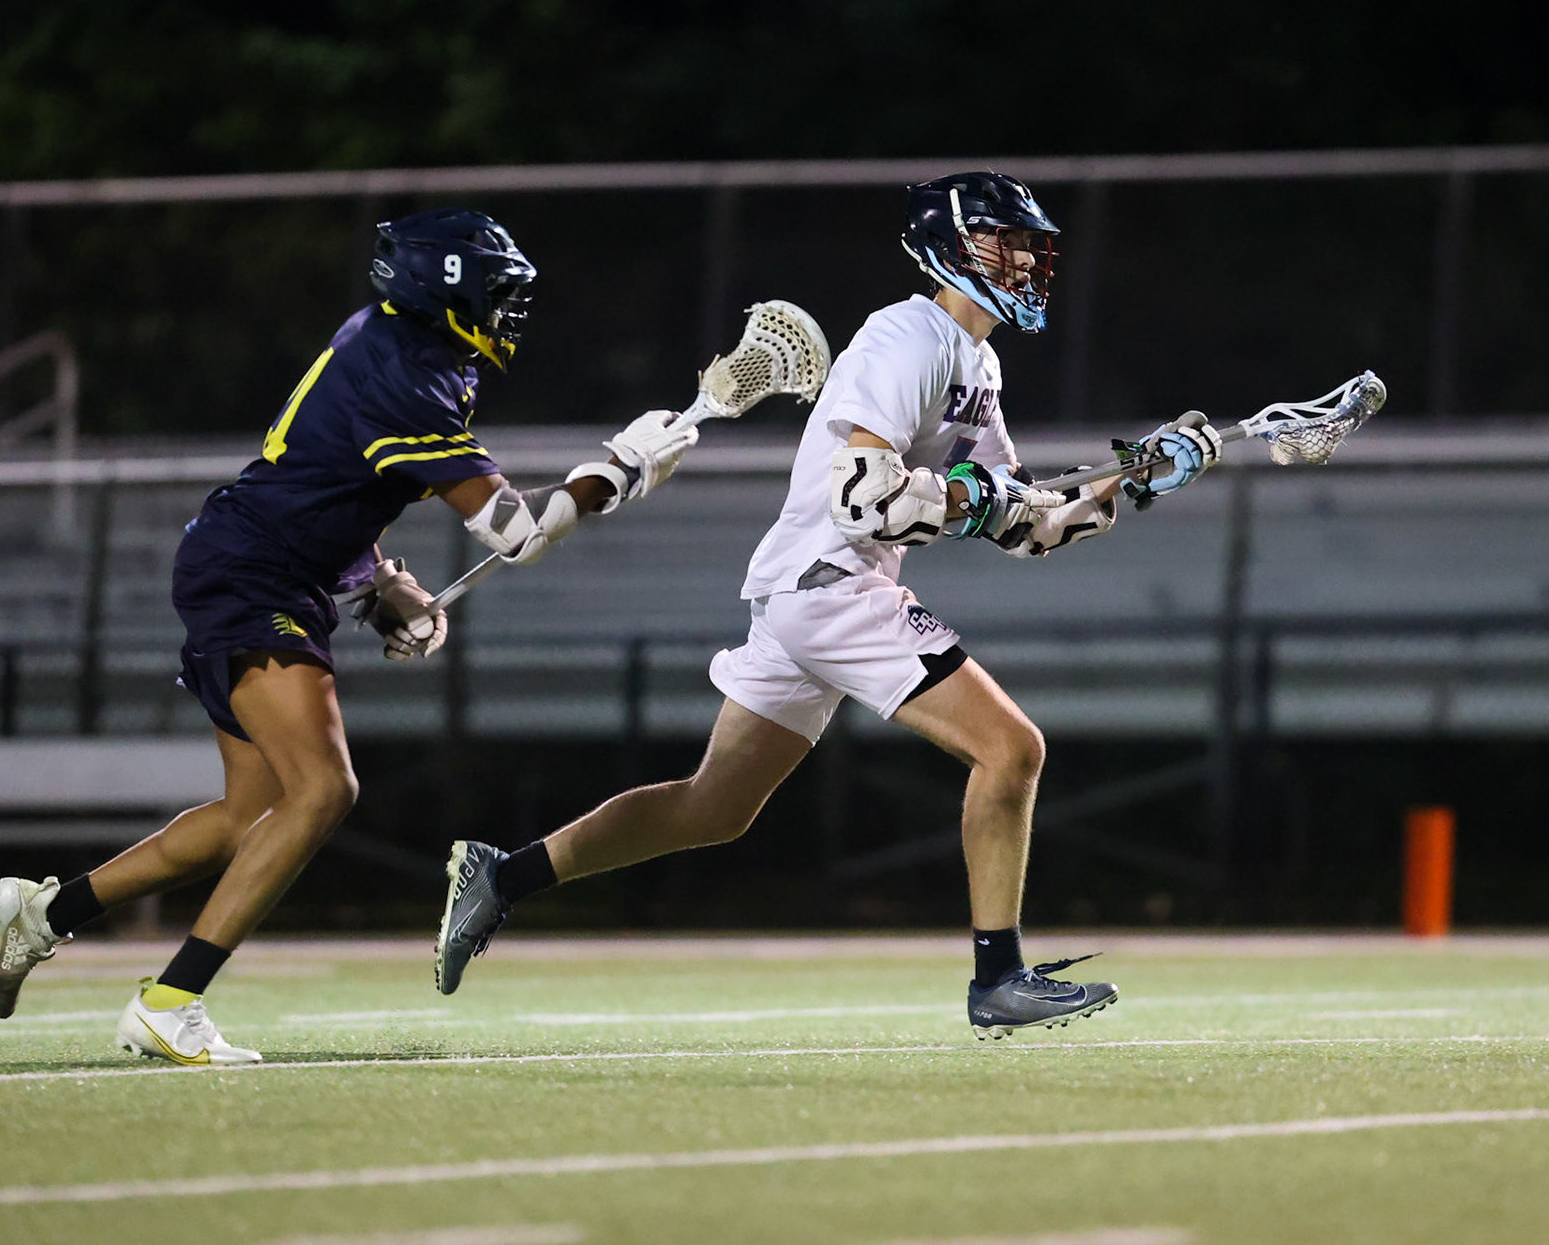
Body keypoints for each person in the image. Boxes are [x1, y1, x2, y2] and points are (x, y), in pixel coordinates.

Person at [433, 173, 1223, 1039]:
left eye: (1035, 245)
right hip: (833, 585)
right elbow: (869, 502)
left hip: (806, 594)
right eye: (1010, 241)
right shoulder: (904, 336)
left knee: (713, 807)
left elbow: (1023, 521)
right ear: (952, 248)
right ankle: (999, 978)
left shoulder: (977, 363)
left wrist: (1128, 477)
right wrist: (979, 499)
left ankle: (501, 876)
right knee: (1012, 750)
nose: (1030, 259)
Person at [0, 208, 697, 1065]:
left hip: (262, 564)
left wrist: (377, 582)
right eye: (498, 294)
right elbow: (518, 534)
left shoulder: (409, 348)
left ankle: (43, 914)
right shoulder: (405, 369)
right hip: (254, 574)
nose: (510, 314)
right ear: (447, 288)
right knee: (324, 791)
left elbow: (333, 475)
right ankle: (169, 1001)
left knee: (246, 814)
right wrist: (615, 472)